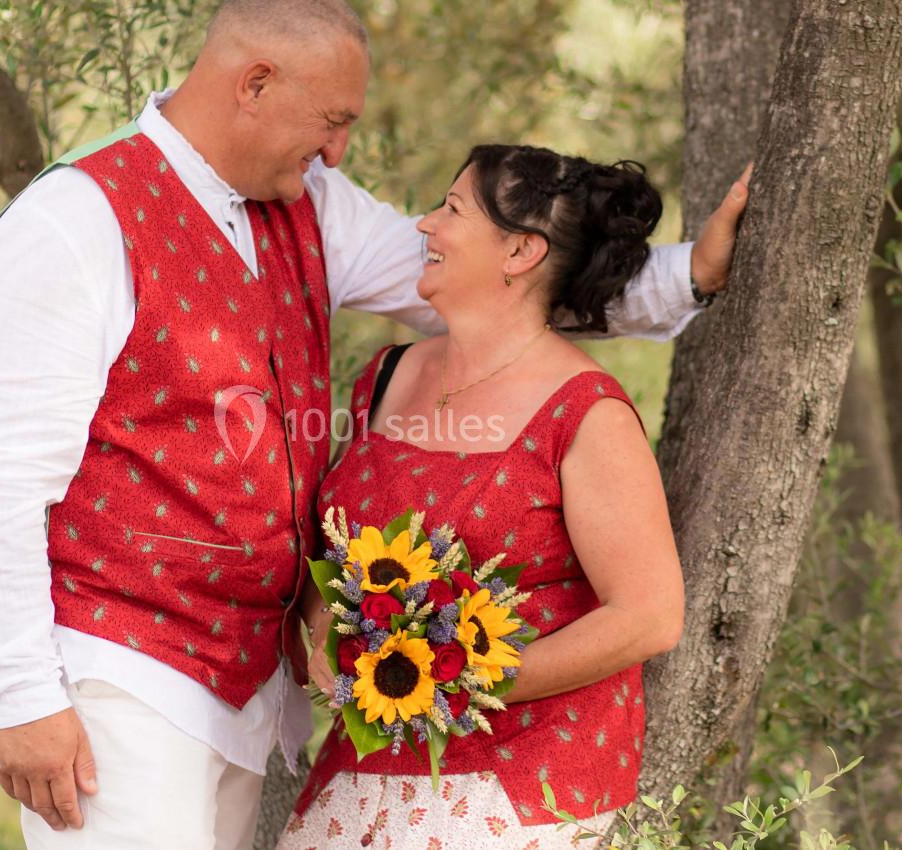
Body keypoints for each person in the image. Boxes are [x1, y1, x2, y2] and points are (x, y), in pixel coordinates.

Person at [0, 1, 749, 848]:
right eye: (332, 121)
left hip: (243, 695)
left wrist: (684, 274)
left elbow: (501, 293)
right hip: (118, 673)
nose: (337, 150)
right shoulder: (78, 217)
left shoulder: (311, 205)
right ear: (255, 84)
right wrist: (20, 694)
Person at [281, 145, 686, 849]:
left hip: (525, 781)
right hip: (368, 764)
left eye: (452, 210)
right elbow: (336, 548)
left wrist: (455, 681)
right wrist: (322, 628)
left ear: (520, 252)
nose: (425, 226)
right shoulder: (386, 376)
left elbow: (649, 616)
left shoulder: (586, 412)